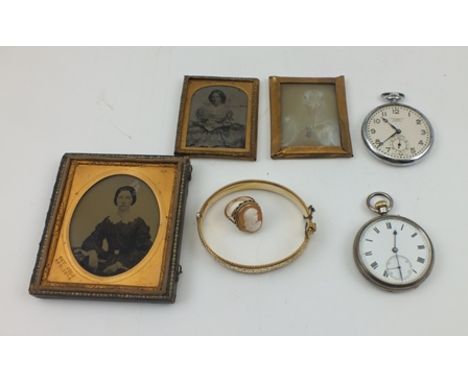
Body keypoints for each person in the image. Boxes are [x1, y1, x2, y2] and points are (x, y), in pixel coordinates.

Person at [73, 186, 153, 276]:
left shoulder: (138, 222)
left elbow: (143, 250)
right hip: (109, 259)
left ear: (132, 200)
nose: (123, 201)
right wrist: (93, 252)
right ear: (116, 199)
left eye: (127, 198)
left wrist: (120, 264)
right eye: (120, 197)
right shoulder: (109, 220)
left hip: (129, 263)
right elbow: (92, 239)